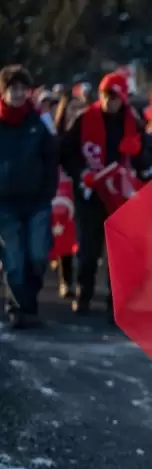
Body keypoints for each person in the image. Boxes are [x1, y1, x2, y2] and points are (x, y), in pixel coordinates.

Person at [59, 72, 152, 320]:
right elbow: (65, 152)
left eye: (113, 96)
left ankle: (116, 301)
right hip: (91, 194)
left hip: (122, 197)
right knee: (89, 250)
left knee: (120, 253)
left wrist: (137, 153)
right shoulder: (84, 119)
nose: (108, 100)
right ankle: (84, 293)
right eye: (105, 95)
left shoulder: (135, 124)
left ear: (123, 98)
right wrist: (81, 173)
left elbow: (150, 164)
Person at [0, 65, 58, 328]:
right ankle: (17, 308)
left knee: (36, 255)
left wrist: (48, 192)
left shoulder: (38, 123)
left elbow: (50, 159)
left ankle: (29, 303)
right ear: (3, 92)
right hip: (5, 203)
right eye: (13, 88)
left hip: (36, 202)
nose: (18, 93)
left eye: (23, 88)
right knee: (13, 259)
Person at [51, 89, 86, 299]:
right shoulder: (56, 137)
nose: (77, 113)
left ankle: (80, 281)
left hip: (85, 189)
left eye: (81, 108)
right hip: (62, 189)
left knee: (82, 236)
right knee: (64, 231)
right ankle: (66, 279)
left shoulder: (90, 132)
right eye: (73, 108)